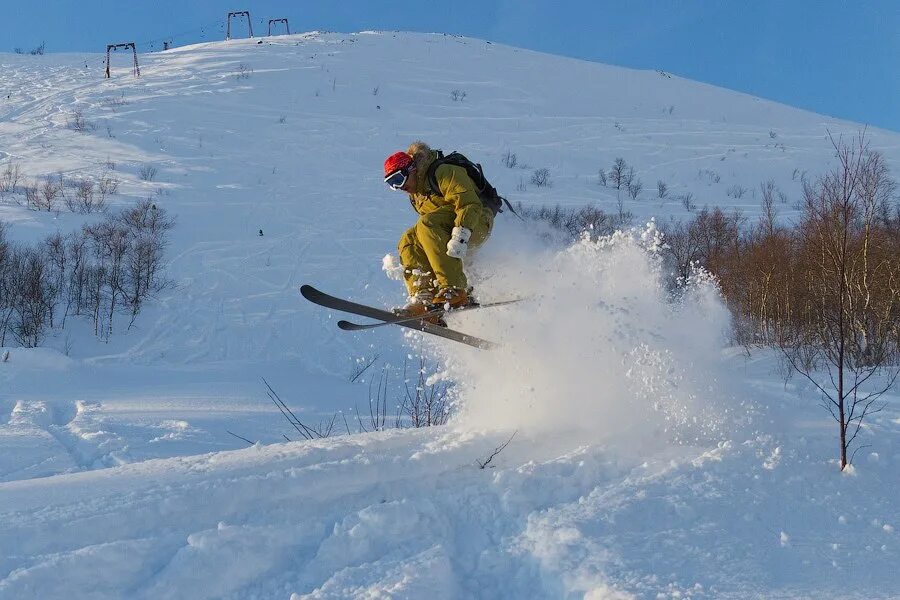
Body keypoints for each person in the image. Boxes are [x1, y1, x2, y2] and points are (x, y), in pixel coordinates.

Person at [383, 141, 494, 320]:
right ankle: (424, 297)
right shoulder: (416, 196)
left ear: (411, 169)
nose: (399, 187)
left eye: (399, 179)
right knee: (409, 239)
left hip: (477, 220)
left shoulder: (443, 172)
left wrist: (462, 235)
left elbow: (469, 204)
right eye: (392, 184)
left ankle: (455, 289)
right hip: (450, 228)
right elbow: (432, 240)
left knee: (426, 224)